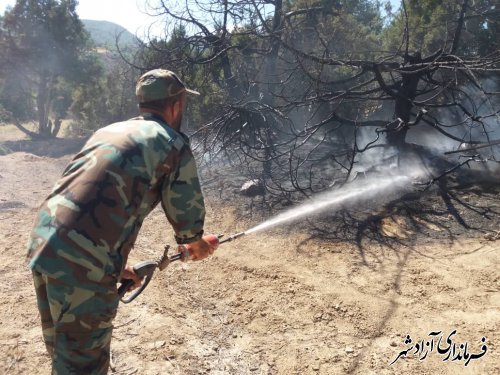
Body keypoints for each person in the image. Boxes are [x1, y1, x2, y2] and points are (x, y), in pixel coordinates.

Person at [26, 69, 218, 374]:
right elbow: (188, 222)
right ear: (176, 104)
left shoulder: (108, 131)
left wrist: (115, 266)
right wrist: (198, 244)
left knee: (67, 355)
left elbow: (91, 199)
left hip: (45, 245)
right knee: (82, 366)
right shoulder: (172, 142)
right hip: (82, 262)